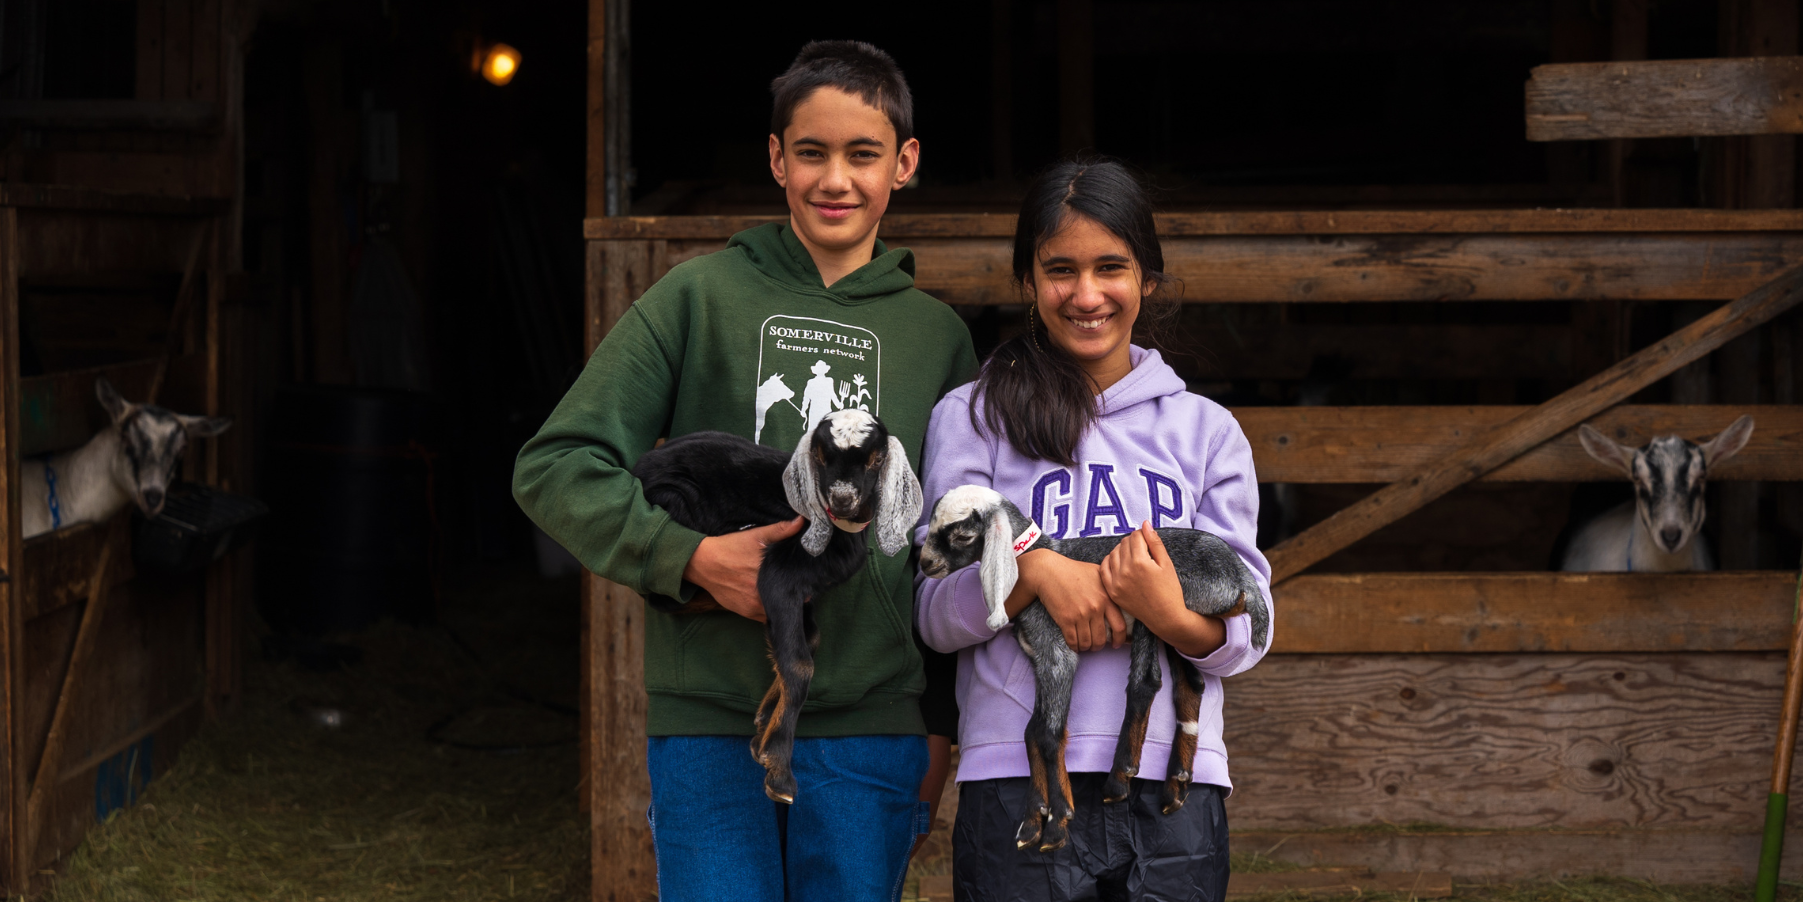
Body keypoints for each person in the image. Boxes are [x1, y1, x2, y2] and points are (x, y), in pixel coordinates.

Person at [513, 41, 977, 902]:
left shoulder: (937, 338)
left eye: (862, 154)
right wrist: (685, 557)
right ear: (775, 158)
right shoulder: (696, 297)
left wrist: (939, 729)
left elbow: (944, 545)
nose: (834, 179)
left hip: (870, 731)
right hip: (712, 726)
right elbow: (555, 466)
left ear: (904, 164)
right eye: (811, 152)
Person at [914, 159, 1273, 902]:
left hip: (1174, 789)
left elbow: (1249, 629)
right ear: (1026, 280)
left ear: (1147, 277)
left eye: (1110, 267)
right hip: (1017, 777)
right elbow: (931, 613)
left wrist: (1168, 614)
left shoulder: (1206, 431)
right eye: (1059, 270)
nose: (1085, 294)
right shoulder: (973, 417)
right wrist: (1032, 571)